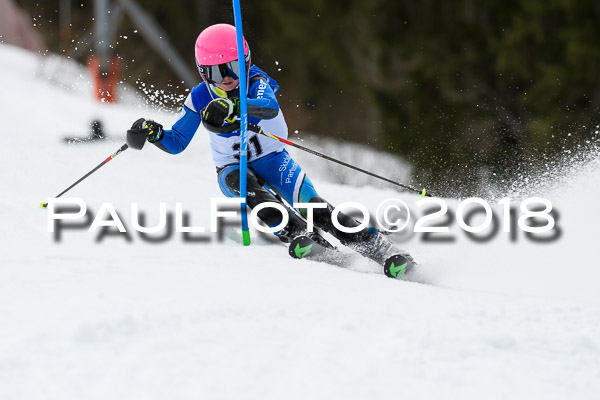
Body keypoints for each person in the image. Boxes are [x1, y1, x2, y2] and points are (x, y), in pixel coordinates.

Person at [127, 23, 410, 266]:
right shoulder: (200, 97)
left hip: (273, 160)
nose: (227, 77)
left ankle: (382, 250)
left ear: (246, 62)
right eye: (216, 72)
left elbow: (267, 107)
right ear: (203, 73)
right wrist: (153, 133)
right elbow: (177, 142)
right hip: (231, 168)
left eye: (234, 67)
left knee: (315, 208)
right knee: (242, 183)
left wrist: (234, 107)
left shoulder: (256, 81)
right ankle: (298, 233)